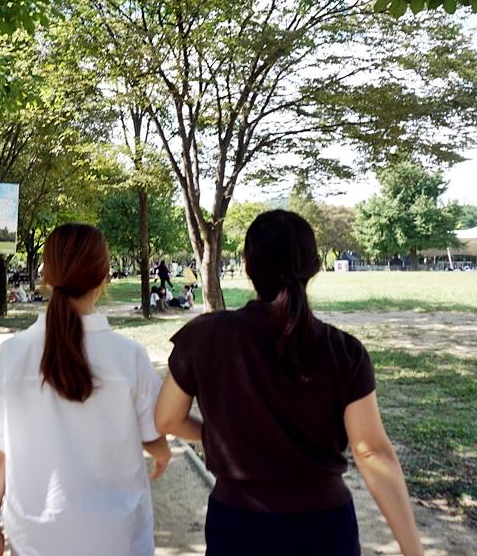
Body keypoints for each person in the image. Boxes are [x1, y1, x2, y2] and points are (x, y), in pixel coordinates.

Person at [155, 210, 423, 556]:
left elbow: (166, 420)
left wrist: (218, 434)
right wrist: (413, 550)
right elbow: (370, 450)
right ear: (313, 267)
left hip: (237, 528)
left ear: (248, 266)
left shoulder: (204, 336)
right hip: (325, 530)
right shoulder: (345, 351)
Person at [0, 223, 171, 556]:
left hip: (35, 538)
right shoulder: (129, 357)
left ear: (47, 275)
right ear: (104, 275)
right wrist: (163, 456)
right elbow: (152, 434)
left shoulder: (11, 356)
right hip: (118, 539)